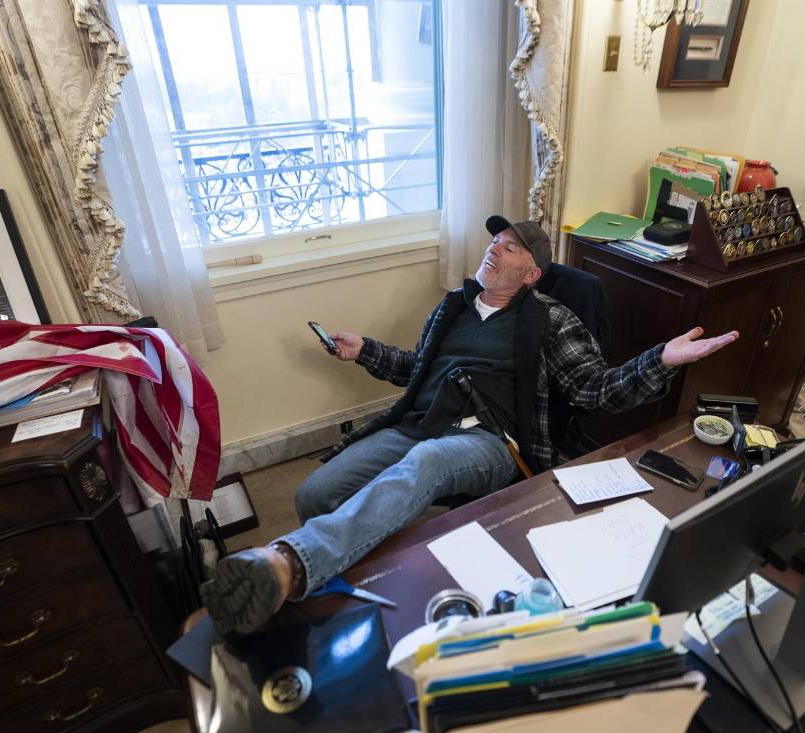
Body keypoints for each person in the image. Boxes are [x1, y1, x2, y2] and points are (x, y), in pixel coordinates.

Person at [201, 215, 739, 637]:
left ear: (531, 275)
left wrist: (661, 360)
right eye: (494, 241)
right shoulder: (454, 306)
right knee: (315, 494)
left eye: (510, 247)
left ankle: (287, 563)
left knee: (428, 464)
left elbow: (595, 390)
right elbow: (419, 372)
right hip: (419, 424)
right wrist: (365, 351)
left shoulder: (551, 318)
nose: (494, 248)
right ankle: (355, 591)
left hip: (490, 441)